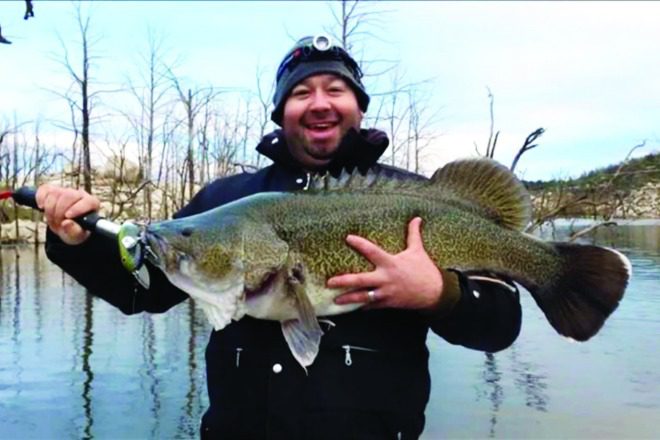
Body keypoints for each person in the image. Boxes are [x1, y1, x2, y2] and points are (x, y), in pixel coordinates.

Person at [39, 35, 522, 439]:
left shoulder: (419, 199)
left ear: (358, 106)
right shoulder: (225, 203)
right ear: (281, 111)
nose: (319, 103)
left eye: (335, 88)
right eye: (300, 92)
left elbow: (501, 325)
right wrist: (76, 244)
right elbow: (141, 285)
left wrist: (438, 294)